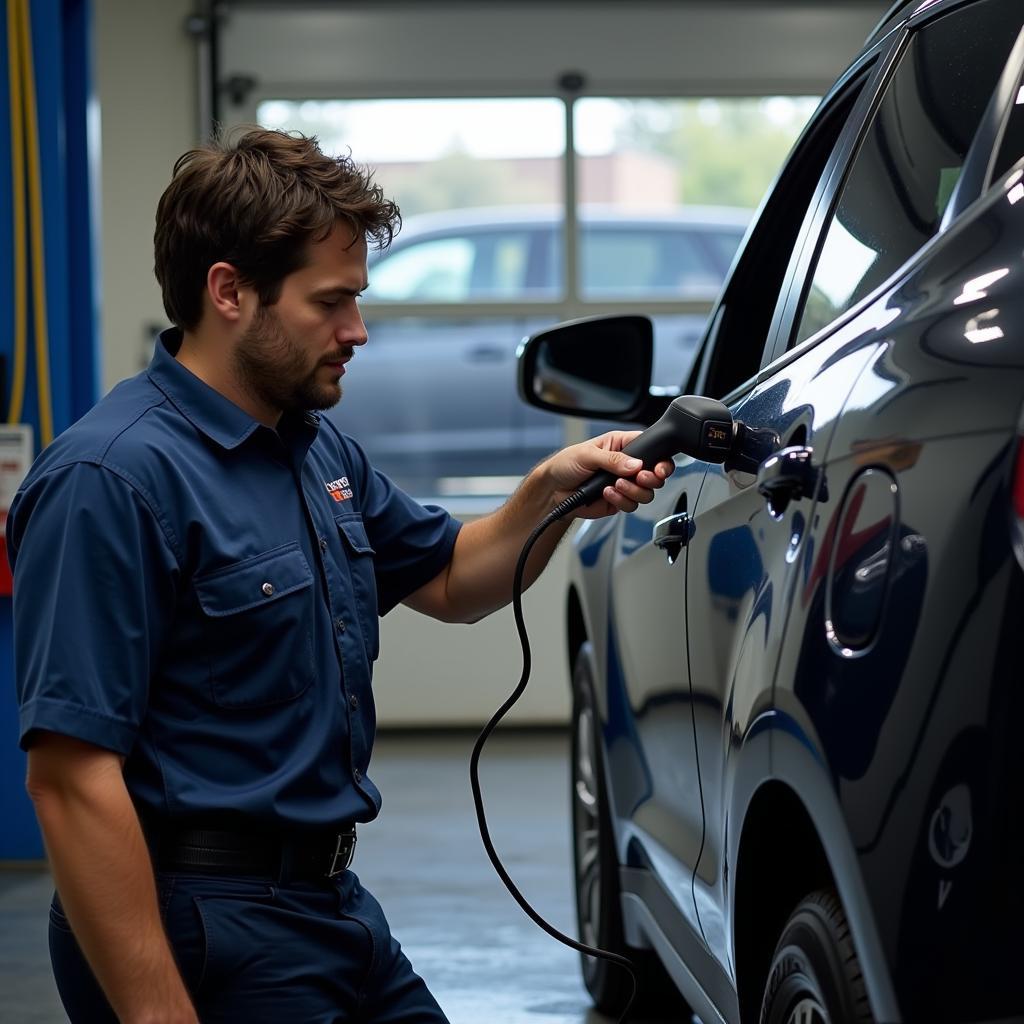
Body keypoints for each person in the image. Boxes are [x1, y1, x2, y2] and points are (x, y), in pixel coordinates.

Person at [8, 127, 674, 1024]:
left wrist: (546, 494)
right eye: (331, 303)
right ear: (229, 292)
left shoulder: (314, 448)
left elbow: (450, 577)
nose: (356, 331)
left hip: (332, 906)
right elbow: (70, 779)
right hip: (204, 922)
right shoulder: (111, 480)